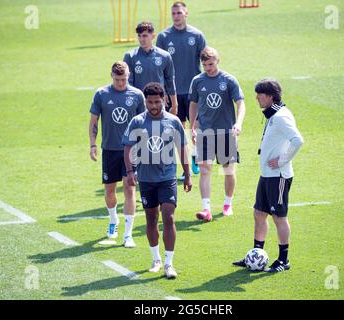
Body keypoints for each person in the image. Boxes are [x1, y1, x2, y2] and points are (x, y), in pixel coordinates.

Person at [232, 78, 304, 273]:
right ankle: (256, 255)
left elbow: (298, 140)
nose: (256, 98)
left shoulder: (281, 116)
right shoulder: (273, 114)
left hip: (278, 176)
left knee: (278, 217)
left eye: (260, 95)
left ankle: (283, 260)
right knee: (259, 214)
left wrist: (282, 160)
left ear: (270, 97)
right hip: (267, 175)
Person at [123, 82, 192, 279]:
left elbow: (182, 149)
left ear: (164, 100)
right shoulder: (137, 122)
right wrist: (130, 171)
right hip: (146, 178)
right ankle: (156, 259)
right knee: (151, 219)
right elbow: (127, 148)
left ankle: (169, 264)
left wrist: (187, 175)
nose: (153, 106)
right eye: (150, 102)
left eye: (157, 102)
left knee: (169, 216)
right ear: (145, 101)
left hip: (167, 177)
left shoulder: (173, 121)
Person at [89, 61, 145, 248]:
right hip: (110, 150)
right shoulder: (101, 94)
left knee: (130, 190)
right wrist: (92, 144)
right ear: (111, 76)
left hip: (132, 150)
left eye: (124, 79)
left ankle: (128, 235)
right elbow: (94, 121)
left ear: (128, 76)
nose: (121, 83)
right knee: (110, 191)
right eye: (117, 79)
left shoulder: (137, 95)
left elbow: (144, 123)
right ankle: (113, 220)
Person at [188, 47, 246, 222]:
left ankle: (228, 204)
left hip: (226, 132)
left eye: (211, 64)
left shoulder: (229, 80)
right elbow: (193, 105)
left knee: (228, 170)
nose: (208, 68)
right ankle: (206, 209)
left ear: (218, 61)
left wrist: (238, 123)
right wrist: (192, 127)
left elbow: (241, 104)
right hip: (205, 132)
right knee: (205, 170)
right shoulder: (197, 81)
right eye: (205, 65)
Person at [156, 1, 207, 177]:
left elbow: (207, 61)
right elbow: (159, 66)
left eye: (179, 13)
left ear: (186, 13)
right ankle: (182, 169)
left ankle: (195, 159)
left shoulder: (197, 35)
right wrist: (163, 92)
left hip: (194, 92)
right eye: (174, 13)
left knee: (195, 129)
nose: (176, 16)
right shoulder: (163, 37)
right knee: (178, 131)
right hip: (173, 93)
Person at [123, 21, 178, 116]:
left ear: (153, 36)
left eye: (144, 36)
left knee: (157, 129)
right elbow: (128, 83)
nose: (141, 39)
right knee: (140, 130)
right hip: (138, 104)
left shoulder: (164, 56)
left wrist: (174, 103)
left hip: (158, 102)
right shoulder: (130, 56)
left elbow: (170, 80)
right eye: (139, 36)